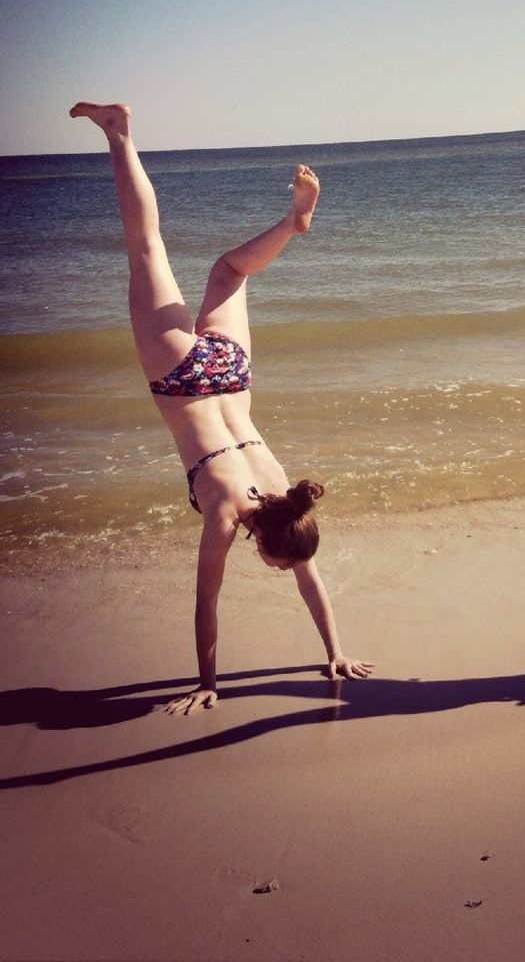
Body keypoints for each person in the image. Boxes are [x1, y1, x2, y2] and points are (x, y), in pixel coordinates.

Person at [71, 101, 373, 714]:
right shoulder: (228, 517)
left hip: (231, 375)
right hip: (183, 379)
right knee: (146, 250)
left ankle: (290, 226)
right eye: (277, 564)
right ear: (266, 541)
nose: (279, 570)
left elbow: (307, 573)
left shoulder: (288, 495)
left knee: (231, 270)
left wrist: (336, 650)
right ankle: (119, 132)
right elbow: (205, 604)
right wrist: (208, 682)